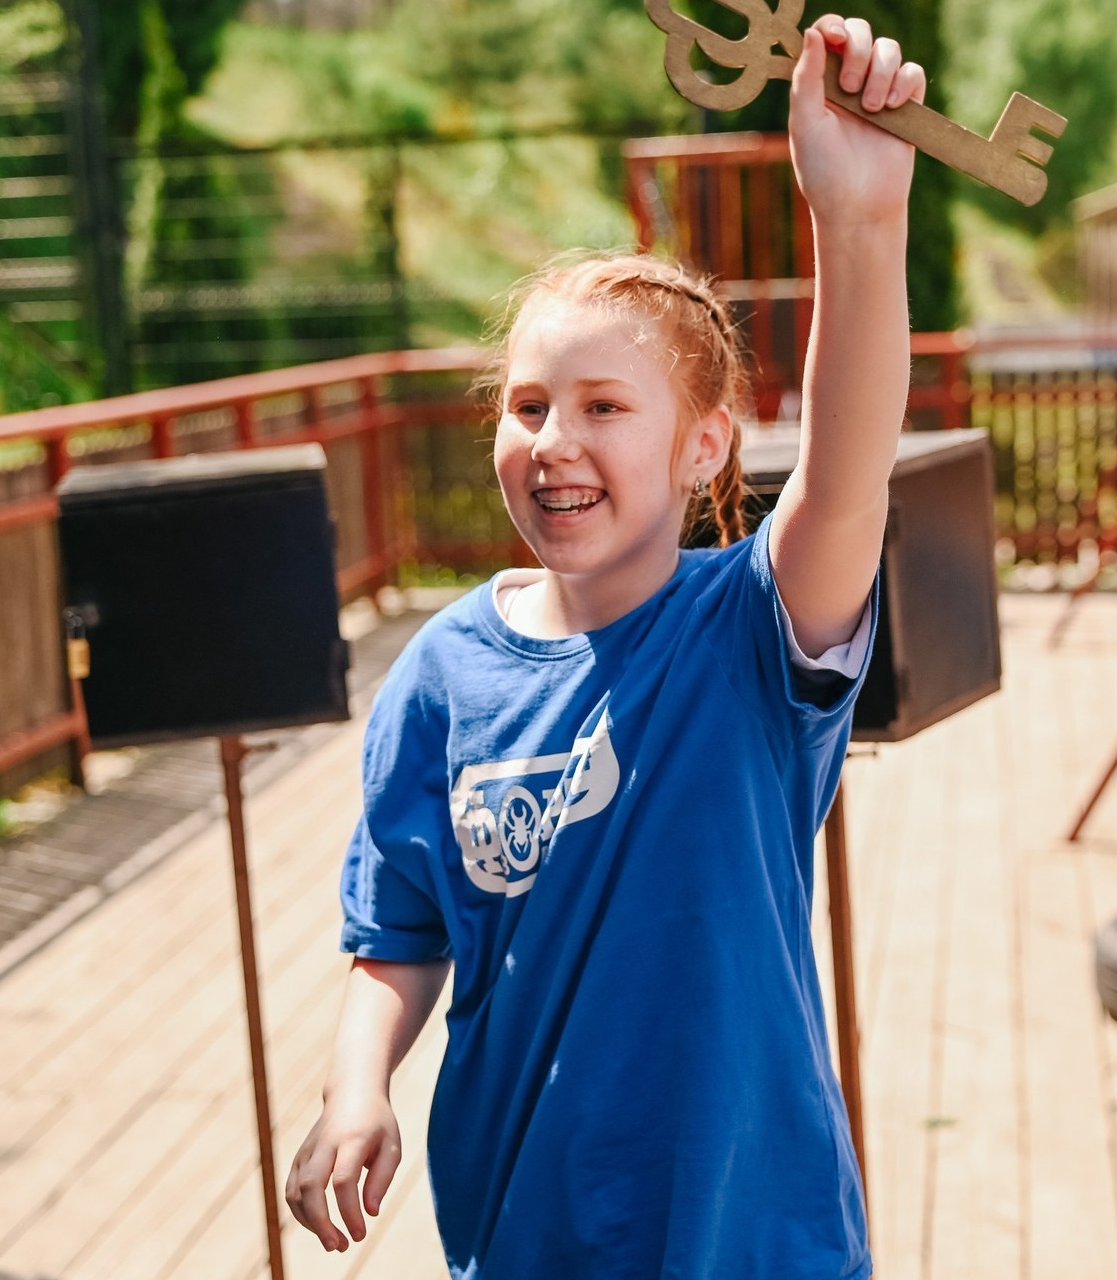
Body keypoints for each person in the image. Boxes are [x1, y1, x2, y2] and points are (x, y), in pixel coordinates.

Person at [287, 12, 925, 1277]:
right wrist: (353, 1085)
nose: (553, 439)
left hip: (754, 1233)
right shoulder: (441, 672)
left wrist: (857, 225)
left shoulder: (746, 630)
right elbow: (398, 927)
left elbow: (847, 478)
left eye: (603, 407)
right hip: (527, 1232)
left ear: (701, 448)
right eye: (528, 405)